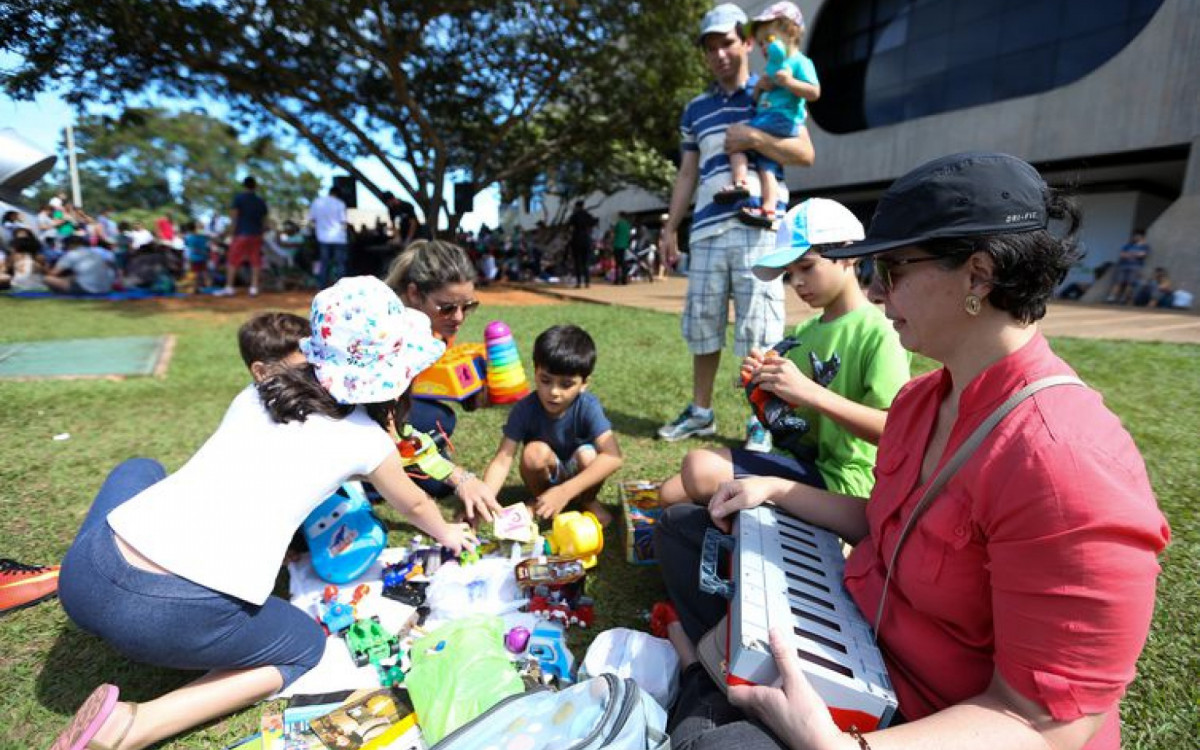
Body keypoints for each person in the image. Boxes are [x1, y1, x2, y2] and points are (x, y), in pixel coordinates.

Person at [657, 152, 1170, 750]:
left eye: (893, 269)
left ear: (978, 276)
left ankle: (704, 681)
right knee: (682, 531)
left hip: (931, 720)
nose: (875, 292)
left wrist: (841, 746)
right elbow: (885, 522)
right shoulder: (925, 398)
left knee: (714, 744)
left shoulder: (1067, 462)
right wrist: (775, 490)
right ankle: (711, 684)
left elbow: (1045, 723)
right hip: (860, 641)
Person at [51, 277, 476, 750]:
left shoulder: (260, 391)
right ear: (393, 378)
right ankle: (135, 724)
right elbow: (414, 503)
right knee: (304, 646)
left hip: (85, 577)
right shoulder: (367, 440)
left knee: (140, 469)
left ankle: (107, 576)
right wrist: (450, 533)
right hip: (166, 618)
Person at [658, 198, 910, 508]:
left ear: (848, 255)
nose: (798, 282)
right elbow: (796, 425)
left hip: (846, 481)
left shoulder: (880, 331)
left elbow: (896, 432)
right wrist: (765, 391)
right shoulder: (805, 332)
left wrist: (809, 392)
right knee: (671, 493)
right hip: (801, 463)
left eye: (807, 266)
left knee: (699, 469)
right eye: (790, 272)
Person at [658, 3, 816, 453]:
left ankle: (761, 417)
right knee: (703, 324)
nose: (720, 54)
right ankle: (701, 412)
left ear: (747, 42)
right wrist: (671, 226)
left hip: (759, 226)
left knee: (759, 329)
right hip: (706, 229)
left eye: (726, 42)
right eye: (710, 48)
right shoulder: (696, 108)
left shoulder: (772, 87)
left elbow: (805, 153)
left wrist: (754, 139)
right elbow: (687, 173)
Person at [384, 240, 502, 522]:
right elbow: (388, 427)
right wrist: (459, 477)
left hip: (391, 416)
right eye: (447, 308)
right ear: (413, 293)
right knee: (435, 425)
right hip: (360, 427)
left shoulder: (431, 326)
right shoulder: (386, 338)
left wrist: (471, 391)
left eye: (468, 306)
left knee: (442, 421)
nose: (459, 318)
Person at [482, 325, 623, 525]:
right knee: (533, 452)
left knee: (588, 455)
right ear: (535, 372)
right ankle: (540, 500)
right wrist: (483, 503)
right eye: (546, 380)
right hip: (547, 470)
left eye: (566, 385)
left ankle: (588, 500)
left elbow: (613, 457)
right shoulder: (524, 409)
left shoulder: (588, 406)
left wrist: (565, 491)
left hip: (579, 472)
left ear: (584, 383)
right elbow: (502, 461)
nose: (554, 392)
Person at [716, 2, 819, 230]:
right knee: (766, 168)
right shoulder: (771, 69)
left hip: (781, 118)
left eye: (769, 40)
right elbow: (755, 100)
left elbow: (814, 92)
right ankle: (769, 209)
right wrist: (760, 88)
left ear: (790, 32)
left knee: (736, 140)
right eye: (761, 43)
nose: (764, 47)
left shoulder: (800, 62)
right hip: (771, 117)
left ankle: (740, 181)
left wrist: (790, 82)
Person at [217, 176, 269, 297]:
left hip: (241, 233)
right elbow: (265, 221)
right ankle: (254, 287)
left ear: (243, 185)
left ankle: (229, 287)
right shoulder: (260, 201)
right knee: (255, 260)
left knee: (233, 259)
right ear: (255, 186)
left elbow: (234, 217)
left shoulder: (239, 199)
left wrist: (230, 233)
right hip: (256, 235)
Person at [44, 235, 116, 295]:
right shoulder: (95, 252)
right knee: (72, 277)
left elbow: (53, 274)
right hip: (105, 288)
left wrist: (41, 268)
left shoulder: (71, 254)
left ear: (70, 245)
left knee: (48, 279)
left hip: (87, 289)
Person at [309, 185, 349, 287]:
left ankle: (321, 286)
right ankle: (341, 287)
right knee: (340, 263)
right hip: (339, 238)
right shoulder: (340, 204)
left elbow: (312, 220)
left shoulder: (317, 202)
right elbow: (343, 222)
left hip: (323, 237)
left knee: (324, 262)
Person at [1106, 229, 1150, 304]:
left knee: (1130, 283)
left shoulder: (1145, 246)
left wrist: (1130, 254)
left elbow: (1143, 254)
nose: (1135, 237)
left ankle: (1123, 299)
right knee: (1118, 282)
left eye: (1137, 236)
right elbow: (1122, 255)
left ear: (1142, 237)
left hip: (1135, 267)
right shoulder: (1128, 245)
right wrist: (1135, 254)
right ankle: (1111, 297)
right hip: (1123, 266)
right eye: (1134, 236)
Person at [568, 200, 597, 289]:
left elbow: (569, 227)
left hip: (576, 240)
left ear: (576, 206)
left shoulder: (574, 216)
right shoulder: (588, 215)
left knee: (577, 262)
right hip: (586, 240)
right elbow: (594, 222)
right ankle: (587, 282)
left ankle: (579, 282)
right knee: (586, 262)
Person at [182, 221, 212, 290]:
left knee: (195, 273)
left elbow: (189, 246)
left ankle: (196, 287)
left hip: (194, 258)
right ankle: (208, 286)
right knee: (204, 272)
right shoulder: (203, 237)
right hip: (203, 257)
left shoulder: (190, 237)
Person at [611, 212, 633, 285]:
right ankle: (624, 280)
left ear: (620, 216)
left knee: (617, 263)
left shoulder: (618, 224)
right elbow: (629, 235)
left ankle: (617, 280)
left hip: (617, 245)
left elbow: (613, 234)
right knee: (624, 263)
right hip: (624, 245)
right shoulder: (627, 225)